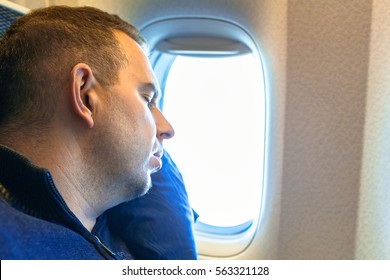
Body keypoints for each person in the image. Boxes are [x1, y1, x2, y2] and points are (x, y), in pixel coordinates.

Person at [0, 5, 175, 259]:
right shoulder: (12, 246)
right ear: (86, 96)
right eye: (147, 99)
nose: (167, 129)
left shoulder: (118, 236)